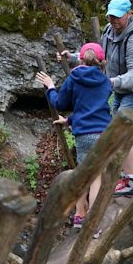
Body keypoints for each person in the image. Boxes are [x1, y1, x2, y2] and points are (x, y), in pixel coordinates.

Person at [58, 0, 133, 197]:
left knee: (119, 133)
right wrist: (74, 57)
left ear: (129, 14)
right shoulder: (109, 31)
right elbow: (99, 59)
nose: (113, 21)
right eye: (110, 17)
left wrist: (110, 82)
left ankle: (129, 179)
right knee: (125, 132)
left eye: (118, 17)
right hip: (118, 89)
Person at [37, 43, 112, 229]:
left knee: (83, 176)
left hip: (83, 135)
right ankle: (92, 223)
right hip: (103, 133)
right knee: (96, 178)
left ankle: (79, 216)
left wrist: (51, 87)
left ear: (80, 59)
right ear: (101, 62)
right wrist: (69, 121)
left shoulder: (74, 78)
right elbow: (94, 108)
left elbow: (60, 103)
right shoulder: (105, 81)